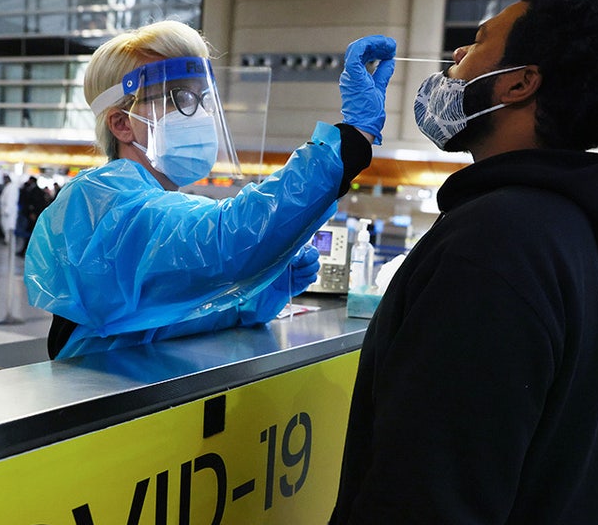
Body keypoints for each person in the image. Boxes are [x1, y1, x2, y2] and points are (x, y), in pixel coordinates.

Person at [308, 0, 598, 525]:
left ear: (519, 84)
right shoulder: (572, 230)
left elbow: (422, 510)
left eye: (478, 42)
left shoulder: (496, 243)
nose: (455, 56)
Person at [24, 20, 395, 359]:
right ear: (122, 123)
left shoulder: (163, 203)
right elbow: (228, 240)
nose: (199, 115)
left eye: (203, 99)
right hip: (99, 415)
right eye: (180, 98)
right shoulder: (101, 203)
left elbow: (193, 310)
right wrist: (352, 137)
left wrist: (264, 286)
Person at [0, 174, 19, 245]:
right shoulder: (8, 187)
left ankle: (9, 241)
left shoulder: (12, 188)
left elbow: (11, 200)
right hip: (5, 211)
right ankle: (7, 240)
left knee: (9, 227)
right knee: (5, 226)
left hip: (9, 212)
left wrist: (7, 210)